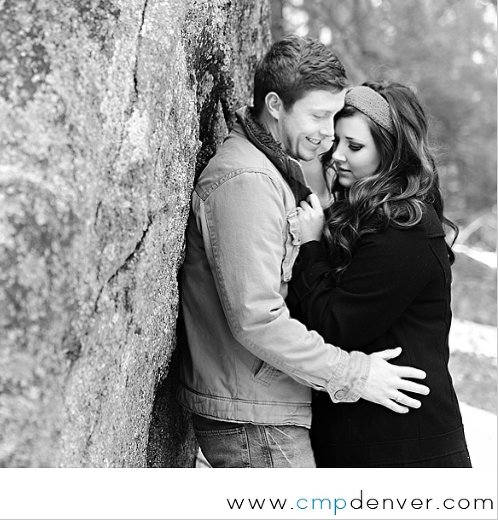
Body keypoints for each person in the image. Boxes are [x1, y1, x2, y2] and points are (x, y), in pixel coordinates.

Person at [176, 35, 430, 469]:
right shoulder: (246, 182)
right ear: (275, 105)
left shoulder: (275, 173)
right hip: (253, 419)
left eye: (334, 117)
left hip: (267, 407)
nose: (329, 136)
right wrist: (354, 375)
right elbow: (257, 318)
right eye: (318, 116)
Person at [286, 81, 472, 467]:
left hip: (407, 451)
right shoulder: (364, 216)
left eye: (354, 147)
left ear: (388, 153)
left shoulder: (406, 227)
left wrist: (310, 246)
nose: (336, 155)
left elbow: (331, 324)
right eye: (334, 141)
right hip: (365, 439)